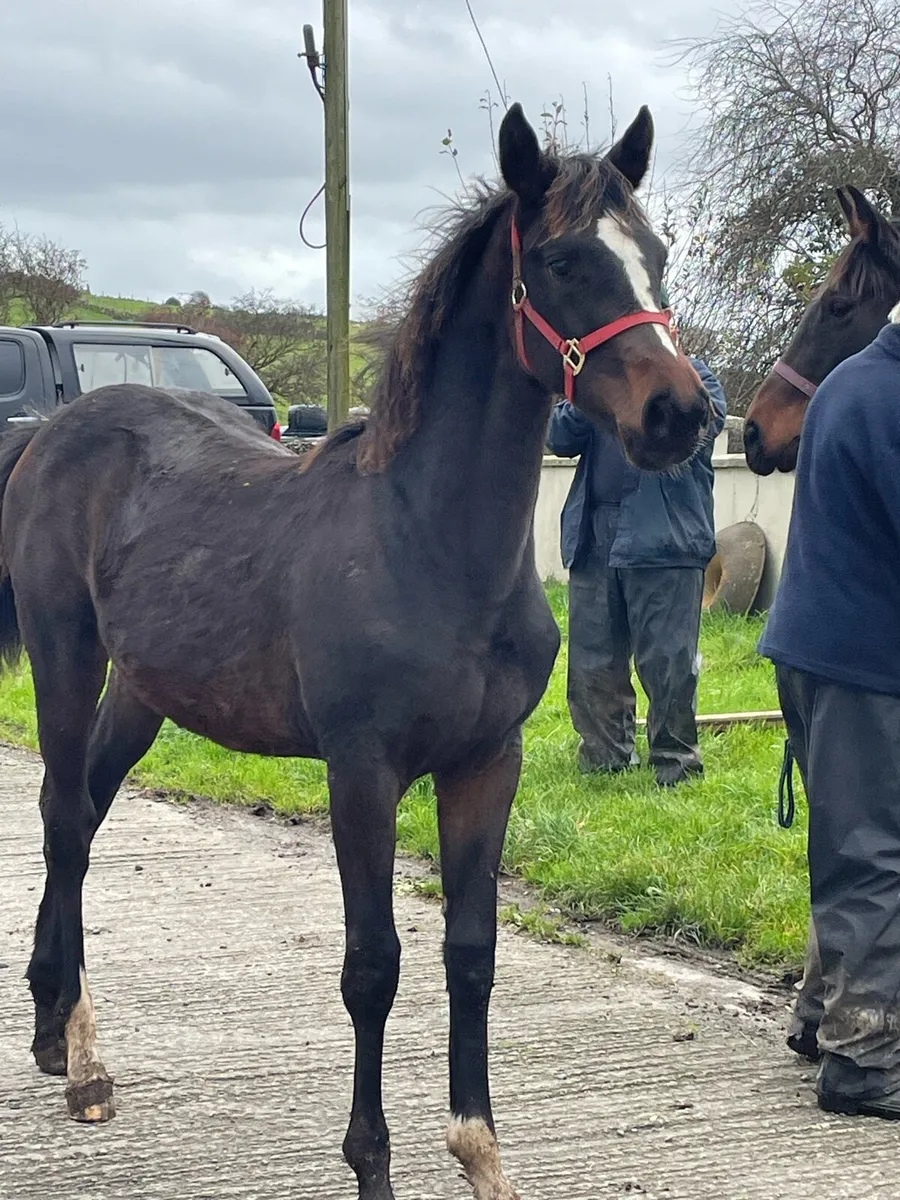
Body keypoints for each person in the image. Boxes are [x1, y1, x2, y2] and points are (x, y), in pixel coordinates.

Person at [758, 308, 900, 1118]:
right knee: (876, 851)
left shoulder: (854, 380)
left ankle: (825, 1014)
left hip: (820, 652)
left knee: (852, 837)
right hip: (867, 665)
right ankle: (866, 1059)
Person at [546, 290, 727, 786]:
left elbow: (702, 424)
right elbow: (558, 439)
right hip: (594, 534)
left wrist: (649, 388)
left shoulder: (696, 382)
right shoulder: (600, 389)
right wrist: (596, 388)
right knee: (593, 663)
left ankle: (676, 764)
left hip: (664, 542)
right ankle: (604, 759)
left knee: (668, 664)